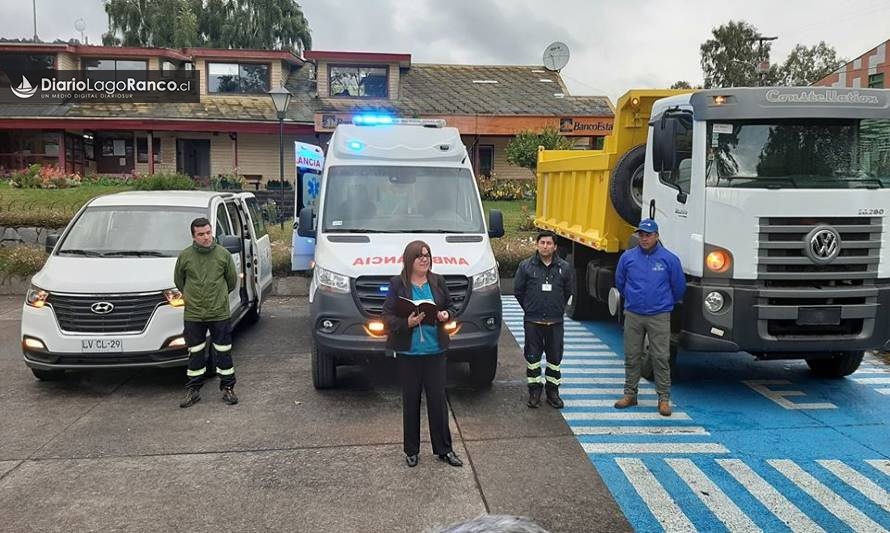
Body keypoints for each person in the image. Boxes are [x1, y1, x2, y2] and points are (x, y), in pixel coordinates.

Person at [382, 240, 463, 468]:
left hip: (435, 351)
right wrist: (406, 322)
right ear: (410, 260)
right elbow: (386, 317)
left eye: (427, 255)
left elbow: (452, 306)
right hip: (409, 353)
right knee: (411, 401)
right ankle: (411, 450)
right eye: (419, 256)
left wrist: (446, 314)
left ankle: (444, 449)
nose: (424, 259)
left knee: (438, 401)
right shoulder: (398, 284)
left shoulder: (438, 281)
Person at [613, 218, 686, 417]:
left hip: (659, 315)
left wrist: (664, 303)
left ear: (657, 236)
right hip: (634, 314)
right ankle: (630, 394)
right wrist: (633, 300)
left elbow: (678, 287)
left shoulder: (669, 259)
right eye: (641, 235)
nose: (644, 239)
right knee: (632, 355)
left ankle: (663, 398)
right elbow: (620, 282)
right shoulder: (628, 258)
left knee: (661, 357)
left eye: (648, 235)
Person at [174, 217, 238, 408]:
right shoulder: (185, 256)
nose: (206, 237)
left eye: (208, 233)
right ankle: (193, 389)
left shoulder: (223, 255)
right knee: (195, 353)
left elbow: (231, 281)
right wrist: (193, 297)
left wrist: (217, 297)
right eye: (201, 234)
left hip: (219, 313)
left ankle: (228, 388)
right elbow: (179, 281)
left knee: (224, 352)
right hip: (194, 314)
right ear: (193, 236)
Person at [513, 231, 574, 409]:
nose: (545, 246)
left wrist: (556, 308)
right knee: (532, 358)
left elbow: (568, 291)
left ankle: (553, 392)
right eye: (542, 243)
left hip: (555, 322)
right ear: (537, 245)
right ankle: (534, 391)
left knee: (555, 359)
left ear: (555, 247)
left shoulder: (564, 267)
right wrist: (531, 308)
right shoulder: (526, 266)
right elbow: (518, 291)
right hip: (533, 321)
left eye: (549, 243)